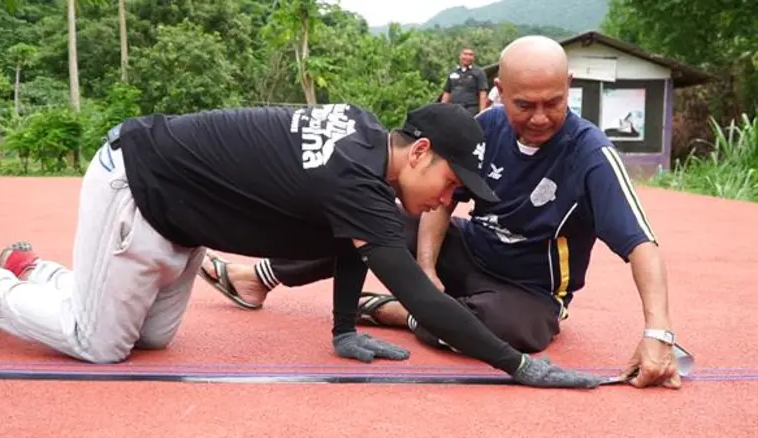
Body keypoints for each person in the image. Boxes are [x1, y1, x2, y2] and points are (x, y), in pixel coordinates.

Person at [0, 101, 603, 389]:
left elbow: (350, 244)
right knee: (101, 344)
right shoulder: (358, 185)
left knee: (152, 340)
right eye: (450, 182)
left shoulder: (362, 136)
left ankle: (30, 270)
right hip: (138, 184)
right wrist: (520, 366)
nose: (449, 201)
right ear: (417, 152)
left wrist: (342, 331)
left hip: (178, 215)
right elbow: (419, 294)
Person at [199, 35, 683, 390]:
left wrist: (657, 332)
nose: (539, 117)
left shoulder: (591, 155)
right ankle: (259, 277)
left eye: (553, 103)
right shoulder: (485, 126)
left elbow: (642, 244)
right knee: (373, 213)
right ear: (497, 91)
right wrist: (427, 269)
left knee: (516, 333)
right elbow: (443, 195)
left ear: (569, 87)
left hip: (527, 291)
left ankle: (391, 310)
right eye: (524, 104)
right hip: (467, 251)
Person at [440, 47, 489, 116]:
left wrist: (482, 114)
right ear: (460, 56)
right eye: (465, 54)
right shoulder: (453, 72)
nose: (468, 57)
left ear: (474, 57)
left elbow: (483, 94)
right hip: (453, 109)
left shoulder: (479, 72)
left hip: (471, 109)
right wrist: (441, 110)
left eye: (470, 55)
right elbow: (447, 92)